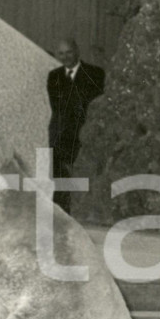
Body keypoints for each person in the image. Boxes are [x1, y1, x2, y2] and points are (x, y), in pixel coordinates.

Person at [46, 38, 105, 213]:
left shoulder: (95, 73)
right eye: (61, 54)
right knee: (61, 183)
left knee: (85, 181)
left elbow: (92, 104)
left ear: (77, 51)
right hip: (62, 138)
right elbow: (58, 106)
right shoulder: (54, 76)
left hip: (86, 136)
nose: (66, 57)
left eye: (69, 52)